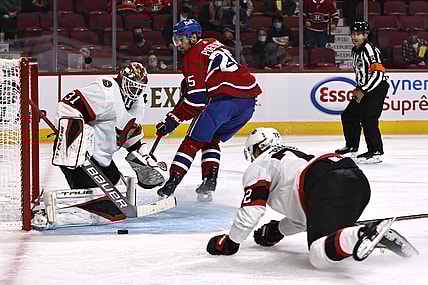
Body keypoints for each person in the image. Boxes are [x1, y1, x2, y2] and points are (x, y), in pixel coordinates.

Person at [206, 127, 418, 268]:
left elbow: (252, 209)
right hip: (356, 181)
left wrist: (231, 242)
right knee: (334, 236)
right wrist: (278, 230)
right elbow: (307, 218)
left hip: (327, 185)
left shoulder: (261, 163)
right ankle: (374, 235)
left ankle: (364, 232)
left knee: (318, 253)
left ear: (255, 149)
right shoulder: (291, 157)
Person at [155, 19, 262, 202]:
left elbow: (196, 102)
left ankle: (170, 186)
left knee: (192, 141)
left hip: (224, 101)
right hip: (248, 103)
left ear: (194, 37)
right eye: (176, 40)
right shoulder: (213, 42)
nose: (178, 44)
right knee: (211, 138)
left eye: (181, 39)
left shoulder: (192, 57)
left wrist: (171, 121)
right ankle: (209, 182)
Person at [53, 62, 165, 191]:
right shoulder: (106, 91)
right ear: (122, 80)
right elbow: (67, 105)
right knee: (95, 196)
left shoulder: (138, 105)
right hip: (78, 154)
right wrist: (71, 138)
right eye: (133, 87)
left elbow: (130, 138)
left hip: (102, 160)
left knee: (120, 193)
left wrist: (145, 157)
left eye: (140, 88)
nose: (136, 92)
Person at [335, 22, 389, 164]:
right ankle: (352, 146)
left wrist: (363, 90)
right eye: (353, 34)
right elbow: (361, 72)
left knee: (368, 119)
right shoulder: (355, 50)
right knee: (348, 115)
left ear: (366, 35)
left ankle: (376, 150)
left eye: (358, 34)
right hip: (364, 88)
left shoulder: (370, 50)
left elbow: (378, 73)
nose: (355, 37)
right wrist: (359, 88)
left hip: (376, 88)